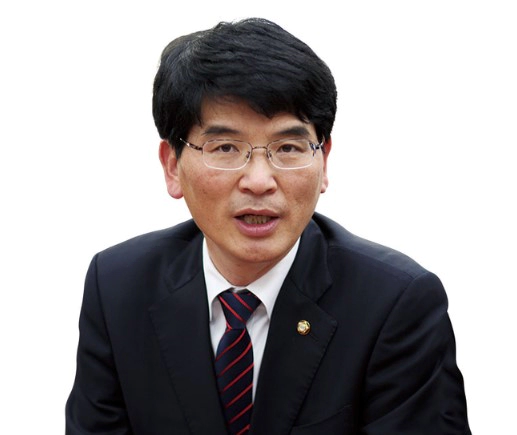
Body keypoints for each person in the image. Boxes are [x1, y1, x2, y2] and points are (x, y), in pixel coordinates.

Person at [65, 18, 471, 435]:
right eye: (226, 147)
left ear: (323, 161)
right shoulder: (117, 288)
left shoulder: (396, 305)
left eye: (288, 147)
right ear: (172, 166)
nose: (259, 181)